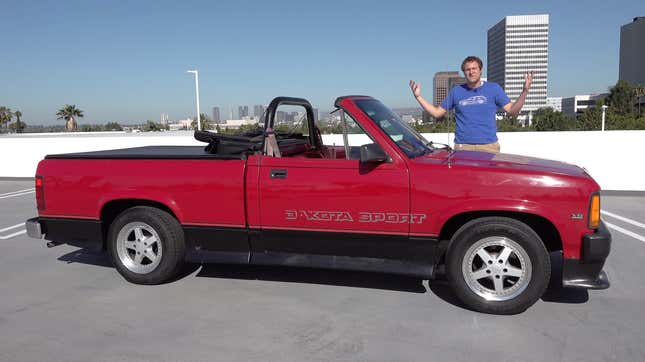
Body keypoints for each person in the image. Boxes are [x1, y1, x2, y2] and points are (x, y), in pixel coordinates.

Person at [409, 56, 533, 153]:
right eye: (468, 69)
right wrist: (418, 97)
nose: (471, 72)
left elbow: (512, 110)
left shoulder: (493, 88)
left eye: (474, 69)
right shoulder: (456, 91)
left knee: (488, 184)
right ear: (464, 72)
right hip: (463, 147)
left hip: (488, 147)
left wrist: (525, 91)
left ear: (480, 71)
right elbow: (437, 113)